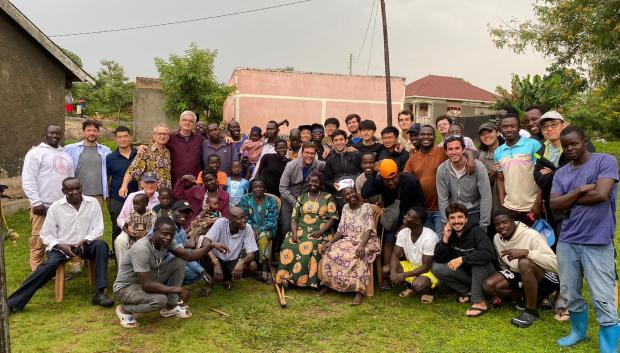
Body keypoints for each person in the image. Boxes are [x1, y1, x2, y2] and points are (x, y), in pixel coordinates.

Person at [550, 126, 619, 351]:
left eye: (574, 143)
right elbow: (554, 205)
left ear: (585, 141)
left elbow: (601, 194)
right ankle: (578, 332)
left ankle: (608, 345)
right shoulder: (562, 173)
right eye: (565, 145)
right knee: (569, 291)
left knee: (603, 296)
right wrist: (579, 190)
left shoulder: (605, 161)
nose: (570, 148)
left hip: (597, 241)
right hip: (568, 240)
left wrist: (567, 200)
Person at [7, 177, 113, 312]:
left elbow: (98, 228)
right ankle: (13, 303)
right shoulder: (55, 208)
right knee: (49, 266)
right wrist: (60, 245)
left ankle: (100, 293)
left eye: (77, 188)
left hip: (85, 244)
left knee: (101, 246)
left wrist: (85, 240)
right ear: (63, 191)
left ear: (81, 188)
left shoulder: (92, 203)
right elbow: (46, 234)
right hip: (61, 247)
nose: (75, 192)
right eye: (70, 189)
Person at [113, 217, 229, 328]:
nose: (168, 237)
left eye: (171, 234)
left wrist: (211, 245)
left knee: (179, 260)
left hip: (148, 280)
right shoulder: (142, 248)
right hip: (126, 288)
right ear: (154, 231)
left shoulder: (166, 242)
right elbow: (147, 285)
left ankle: (171, 306)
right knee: (160, 300)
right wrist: (178, 289)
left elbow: (188, 255)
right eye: (164, 233)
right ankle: (125, 309)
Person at [483, 209, 560, 328]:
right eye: (497, 224)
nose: (501, 226)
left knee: (524, 262)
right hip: (519, 274)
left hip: (546, 277)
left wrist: (527, 253)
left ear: (513, 221)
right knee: (489, 285)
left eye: (505, 222)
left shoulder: (531, 235)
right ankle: (529, 297)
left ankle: (531, 311)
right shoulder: (497, 238)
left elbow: (555, 264)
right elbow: (503, 263)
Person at [362, 159, 424, 289]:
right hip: (393, 216)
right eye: (387, 180)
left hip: (411, 215)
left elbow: (420, 204)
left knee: (415, 242)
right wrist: (374, 174)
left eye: (393, 178)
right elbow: (365, 193)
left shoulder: (410, 181)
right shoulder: (379, 180)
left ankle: (416, 275)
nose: (390, 182)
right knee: (389, 240)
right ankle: (387, 277)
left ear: (398, 173)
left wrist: (408, 223)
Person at [534, 111, 595, 241]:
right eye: (545, 126)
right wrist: (561, 172)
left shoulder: (580, 144)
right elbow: (539, 179)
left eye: (553, 124)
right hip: (556, 207)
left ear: (563, 125)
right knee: (563, 244)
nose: (549, 128)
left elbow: (580, 172)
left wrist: (553, 172)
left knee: (590, 243)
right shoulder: (540, 152)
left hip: (582, 203)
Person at [21, 124, 74, 271]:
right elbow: (28, 178)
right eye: (52, 133)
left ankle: (56, 270)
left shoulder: (65, 155)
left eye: (58, 133)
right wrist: (36, 201)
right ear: (45, 134)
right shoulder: (36, 153)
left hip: (62, 206)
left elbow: (71, 180)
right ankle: (37, 271)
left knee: (60, 239)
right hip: (43, 205)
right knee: (39, 239)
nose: (55, 136)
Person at [318, 185, 380, 305]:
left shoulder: (366, 207)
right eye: (347, 194)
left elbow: (369, 228)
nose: (351, 196)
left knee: (357, 255)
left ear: (356, 193)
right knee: (330, 251)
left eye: (352, 192)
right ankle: (328, 284)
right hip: (350, 240)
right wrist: (330, 242)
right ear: (343, 198)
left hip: (366, 241)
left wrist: (362, 245)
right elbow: (341, 230)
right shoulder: (346, 208)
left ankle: (359, 292)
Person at [275, 171, 338, 289]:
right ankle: (287, 278)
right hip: (301, 230)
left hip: (321, 231)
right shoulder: (301, 197)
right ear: (308, 183)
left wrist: (320, 232)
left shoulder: (328, 197)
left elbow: (332, 218)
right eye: (311, 181)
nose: (313, 184)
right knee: (289, 242)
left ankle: (307, 281)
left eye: (316, 182)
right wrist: (294, 233)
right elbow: (294, 218)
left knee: (312, 244)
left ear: (321, 184)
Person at [432, 203, 496, 317]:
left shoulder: (477, 232)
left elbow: (488, 253)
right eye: (452, 218)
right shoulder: (450, 234)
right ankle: (469, 292)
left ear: (466, 219)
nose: (456, 221)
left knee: (477, 261)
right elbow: (438, 258)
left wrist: (463, 259)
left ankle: (480, 303)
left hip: (488, 275)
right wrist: (445, 238)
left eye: (460, 217)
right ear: (447, 220)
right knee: (437, 268)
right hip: (468, 275)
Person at [495, 112, 543, 226]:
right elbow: (500, 179)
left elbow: (541, 174)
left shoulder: (534, 145)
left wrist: (538, 202)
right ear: (501, 129)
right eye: (505, 127)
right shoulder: (498, 152)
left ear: (519, 128)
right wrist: (503, 204)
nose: (508, 129)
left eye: (512, 126)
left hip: (531, 207)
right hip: (509, 208)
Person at [436, 135, 492, 232]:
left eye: (457, 148)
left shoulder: (479, 167)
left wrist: (483, 225)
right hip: (453, 212)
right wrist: (446, 222)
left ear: (463, 150)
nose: (454, 152)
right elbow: (442, 199)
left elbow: (486, 197)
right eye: (450, 149)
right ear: (446, 152)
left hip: (474, 211)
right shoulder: (442, 169)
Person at [404, 125, 448, 235]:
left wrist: (470, 157)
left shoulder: (443, 152)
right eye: (423, 134)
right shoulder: (412, 159)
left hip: (441, 209)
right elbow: (406, 181)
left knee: (439, 241)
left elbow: (461, 152)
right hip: (422, 211)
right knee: (427, 242)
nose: (426, 137)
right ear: (418, 136)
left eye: (429, 134)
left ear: (434, 136)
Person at [200, 207, 259, 290]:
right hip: (214, 260)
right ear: (230, 219)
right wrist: (215, 262)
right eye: (240, 218)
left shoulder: (247, 228)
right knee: (204, 252)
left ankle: (227, 278)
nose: (244, 220)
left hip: (231, 262)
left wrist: (241, 262)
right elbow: (205, 242)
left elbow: (252, 254)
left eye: (244, 217)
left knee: (253, 265)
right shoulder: (221, 223)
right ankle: (210, 280)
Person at [389, 207, 439, 302]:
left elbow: (426, 266)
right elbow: (395, 255)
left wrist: (404, 275)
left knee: (418, 285)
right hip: (411, 264)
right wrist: (393, 272)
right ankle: (410, 287)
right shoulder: (403, 232)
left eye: (408, 216)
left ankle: (430, 291)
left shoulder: (430, 237)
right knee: (386, 270)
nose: (404, 216)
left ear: (417, 221)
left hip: (428, 270)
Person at [163, 200, 212, 293]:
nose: (184, 215)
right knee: (181, 266)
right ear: (172, 211)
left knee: (196, 274)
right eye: (180, 211)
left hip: (173, 262)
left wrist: (203, 271)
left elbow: (185, 255)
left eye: (186, 212)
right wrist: (185, 245)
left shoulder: (181, 230)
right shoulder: (165, 225)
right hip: (157, 264)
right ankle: (164, 288)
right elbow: (174, 254)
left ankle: (169, 287)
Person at [279, 142, 325, 236]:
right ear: (302, 153)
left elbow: (330, 164)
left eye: (312, 153)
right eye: (306, 152)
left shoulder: (317, 164)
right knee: (286, 227)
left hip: (305, 199)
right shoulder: (291, 165)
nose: (309, 155)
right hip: (288, 198)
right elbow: (283, 187)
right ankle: (285, 248)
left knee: (303, 226)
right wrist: (295, 202)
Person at [239, 178, 279, 282]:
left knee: (262, 237)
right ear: (252, 189)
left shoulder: (271, 201)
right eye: (255, 187)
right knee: (248, 233)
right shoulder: (245, 199)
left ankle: (264, 268)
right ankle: (248, 266)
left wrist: (260, 229)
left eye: (260, 187)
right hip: (249, 228)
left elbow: (272, 220)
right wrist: (254, 228)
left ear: (264, 189)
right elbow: (244, 217)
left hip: (268, 229)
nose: (258, 189)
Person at [64, 119, 112, 206]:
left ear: (98, 132)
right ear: (83, 132)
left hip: (97, 194)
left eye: (94, 130)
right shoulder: (70, 149)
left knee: (95, 219)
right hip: (77, 193)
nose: (91, 133)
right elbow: (56, 153)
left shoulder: (106, 151)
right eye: (88, 130)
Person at [106, 126, 138, 252]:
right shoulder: (110, 157)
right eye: (119, 137)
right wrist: (109, 198)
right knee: (118, 227)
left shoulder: (139, 154)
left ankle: (135, 253)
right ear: (115, 139)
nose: (123, 139)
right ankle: (117, 255)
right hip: (117, 198)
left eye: (125, 136)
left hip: (137, 197)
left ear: (131, 137)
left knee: (137, 225)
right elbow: (107, 179)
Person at [120, 124, 171, 196]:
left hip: (165, 197)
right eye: (159, 134)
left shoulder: (167, 153)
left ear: (168, 137)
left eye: (165, 134)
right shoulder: (145, 152)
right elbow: (131, 171)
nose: (162, 136)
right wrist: (124, 186)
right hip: (149, 196)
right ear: (154, 136)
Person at [477, 122, 505, 237]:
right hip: (494, 205)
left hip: (514, 201)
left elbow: (536, 156)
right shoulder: (482, 156)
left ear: (497, 133)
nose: (486, 136)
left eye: (489, 132)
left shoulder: (508, 149)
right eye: (483, 134)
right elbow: (483, 184)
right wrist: (493, 172)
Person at [323, 129, 362, 209]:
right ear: (333, 143)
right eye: (336, 140)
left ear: (346, 141)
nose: (338, 142)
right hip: (339, 197)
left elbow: (363, 173)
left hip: (356, 195)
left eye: (341, 139)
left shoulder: (356, 155)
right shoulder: (330, 160)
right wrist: (333, 184)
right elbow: (326, 180)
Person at [114, 193, 157, 264]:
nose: (135, 206)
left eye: (138, 204)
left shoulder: (152, 215)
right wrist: (128, 233)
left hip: (147, 240)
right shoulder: (132, 214)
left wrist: (146, 238)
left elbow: (154, 228)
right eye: (134, 204)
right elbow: (125, 224)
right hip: (133, 240)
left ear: (146, 204)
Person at [165, 111, 205, 186]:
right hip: (176, 182)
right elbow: (158, 143)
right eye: (184, 120)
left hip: (195, 182)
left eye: (190, 121)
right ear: (179, 122)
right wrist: (142, 147)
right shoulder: (170, 137)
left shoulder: (200, 138)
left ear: (194, 124)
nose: (187, 122)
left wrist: (226, 137)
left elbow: (213, 143)